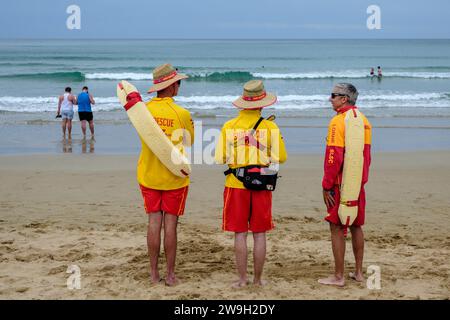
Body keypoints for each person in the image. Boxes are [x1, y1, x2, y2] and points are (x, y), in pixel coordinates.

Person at [215, 80, 287, 288]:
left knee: (240, 233)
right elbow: (281, 157)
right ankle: (257, 280)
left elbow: (220, 158)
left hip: (235, 184)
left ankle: (242, 279)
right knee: (259, 233)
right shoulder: (270, 126)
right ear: (262, 104)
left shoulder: (229, 126)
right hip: (262, 184)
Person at [138, 63, 194, 286]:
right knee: (170, 225)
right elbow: (190, 142)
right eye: (178, 82)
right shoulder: (182, 113)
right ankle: (170, 275)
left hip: (148, 173)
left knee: (154, 222)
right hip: (174, 177)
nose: (179, 86)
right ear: (172, 86)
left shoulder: (143, 112)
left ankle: (153, 273)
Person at [319, 83, 372, 287]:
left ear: (344, 99)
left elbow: (334, 156)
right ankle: (358, 273)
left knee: (336, 226)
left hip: (340, 184)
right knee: (356, 226)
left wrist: (326, 184)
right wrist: (362, 181)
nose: (330, 98)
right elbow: (366, 156)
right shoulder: (364, 121)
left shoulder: (338, 121)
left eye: (333, 95)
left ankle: (339, 276)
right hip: (358, 182)